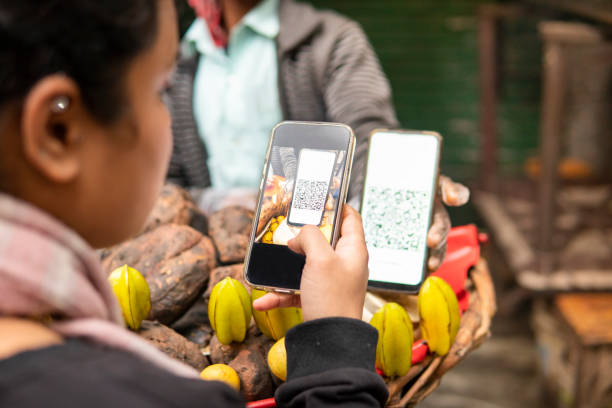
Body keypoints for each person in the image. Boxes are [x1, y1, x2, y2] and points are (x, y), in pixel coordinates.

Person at [0, 0, 386, 407]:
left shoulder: (330, 41)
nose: (166, 115)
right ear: (56, 131)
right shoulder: (147, 394)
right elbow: (179, 184)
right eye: (158, 90)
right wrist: (335, 338)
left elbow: (370, 147)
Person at [167, 0, 470, 271]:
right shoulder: (176, 61)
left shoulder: (333, 40)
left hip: (314, 265)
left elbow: (369, 141)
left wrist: (395, 189)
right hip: (208, 271)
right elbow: (168, 183)